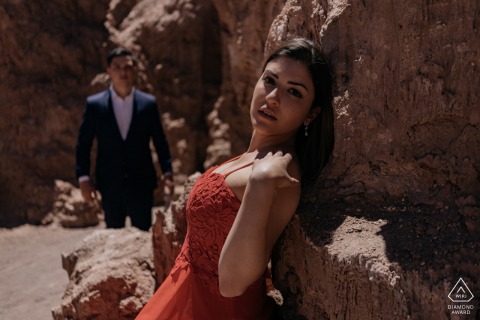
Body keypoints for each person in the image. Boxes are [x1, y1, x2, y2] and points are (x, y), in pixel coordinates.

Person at [135, 37, 334, 319]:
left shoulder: (276, 173)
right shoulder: (255, 155)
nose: (273, 97)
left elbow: (232, 284)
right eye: (269, 80)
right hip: (182, 300)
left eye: (294, 92)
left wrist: (261, 183)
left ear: (311, 114)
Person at [76, 47, 174, 232]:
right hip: (110, 183)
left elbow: (160, 142)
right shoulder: (95, 105)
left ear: (135, 70)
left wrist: (167, 173)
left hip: (141, 183)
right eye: (117, 67)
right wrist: (83, 178)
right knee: (113, 237)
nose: (123, 72)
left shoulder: (148, 104)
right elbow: (84, 144)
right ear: (108, 71)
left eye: (127, 67)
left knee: (143, 236)